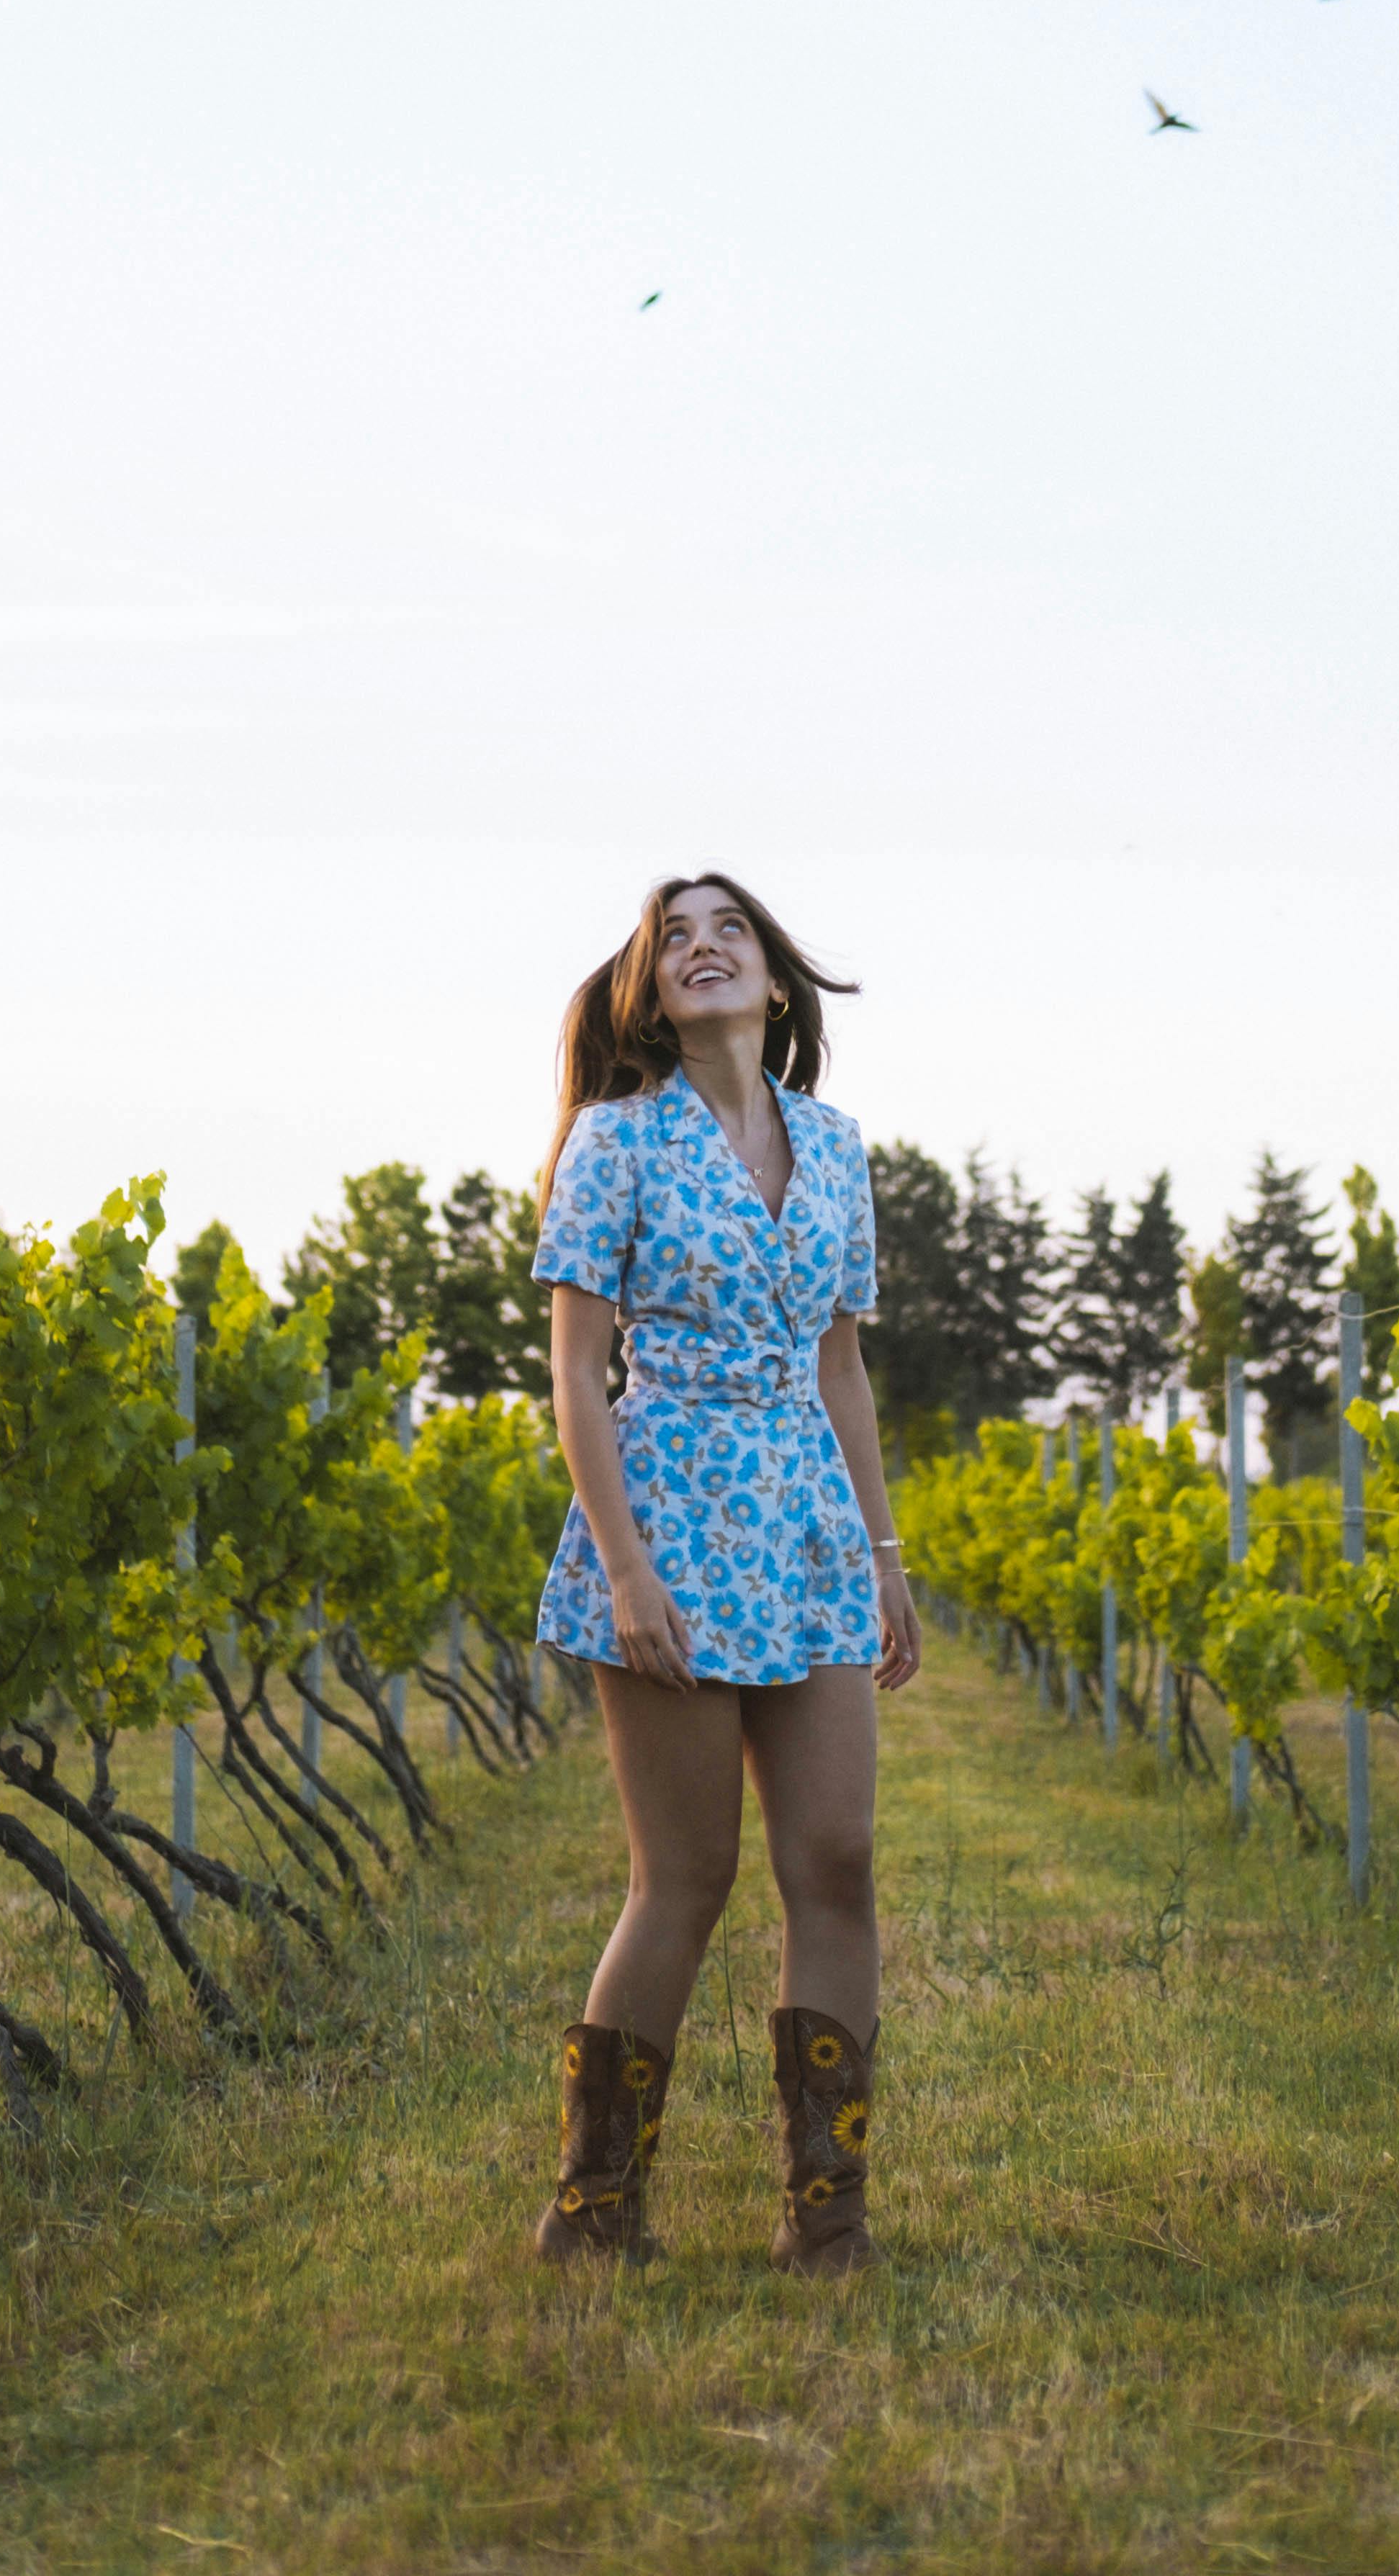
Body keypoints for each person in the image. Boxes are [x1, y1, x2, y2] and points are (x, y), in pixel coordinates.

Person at [528, 869, 919, 2272]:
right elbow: (577, 1378)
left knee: (837, 1860)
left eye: (728, 932)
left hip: (810, 1535)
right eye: (672, 940)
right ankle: (595, 2209)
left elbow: (842, 1365)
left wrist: (886, 1556)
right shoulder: (614, 1145)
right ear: (647, 992)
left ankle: (830, 2219)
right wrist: (626, 1571)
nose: (701, 950)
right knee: (682, 1877)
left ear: (773, 978)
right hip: (673, 1526)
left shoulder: (837, 1145)